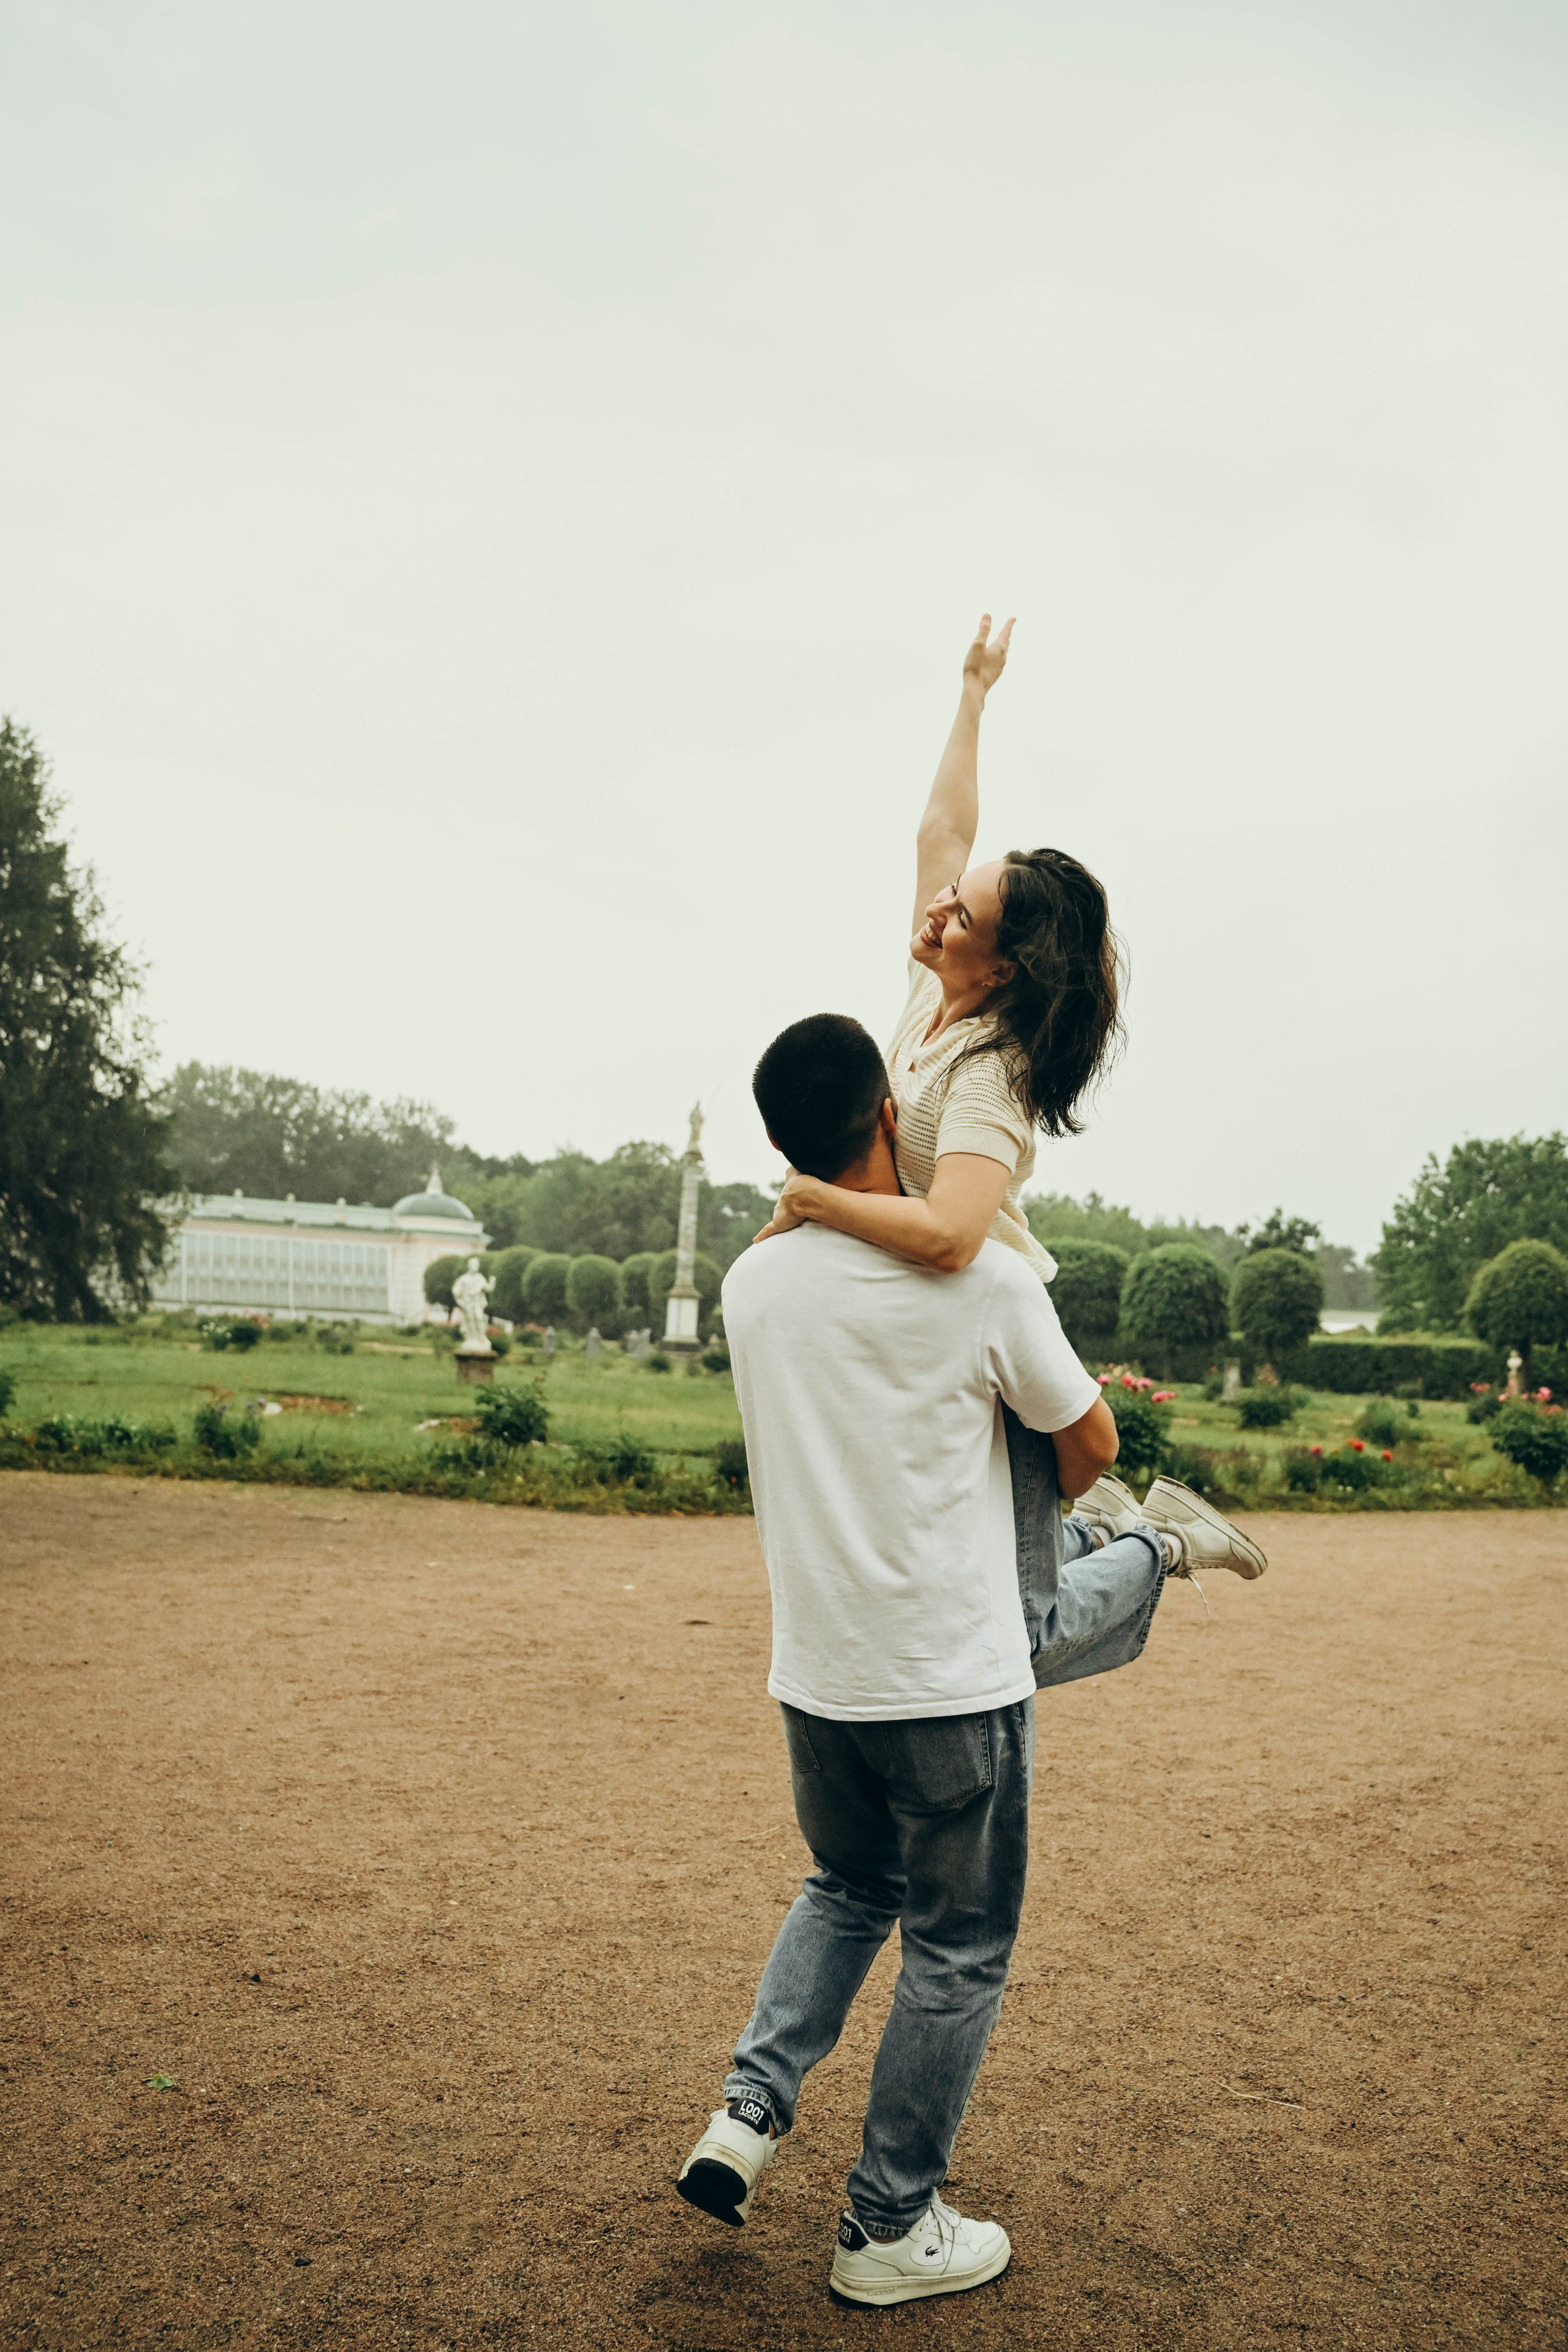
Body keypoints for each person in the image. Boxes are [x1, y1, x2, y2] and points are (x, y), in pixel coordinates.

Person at [675, 1015, 1265, 2307]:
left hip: (818, 1675)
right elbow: (1091, 1440)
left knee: (843, 1889)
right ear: (892, 1110)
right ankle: (885, 2226)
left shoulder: (750, 1285)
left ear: (784, 1148)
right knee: (954, 1950)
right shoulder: (986, 1283)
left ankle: (745, 2115)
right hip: (948, 1679)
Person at [753, 614, 1264, 1662]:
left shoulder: (992, 1076)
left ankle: (1158, 1539)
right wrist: (974, 694)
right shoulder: (928, 996)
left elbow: (951, 1237)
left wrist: (809, 1201)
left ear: (1001, 971)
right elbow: (939, 833)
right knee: (972, 1593)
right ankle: (1096, 1527)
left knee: (1013, 1634)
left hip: (989, 1344)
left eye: (961, 916)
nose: (938, 907)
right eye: (950, 899)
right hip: (929, 1321)